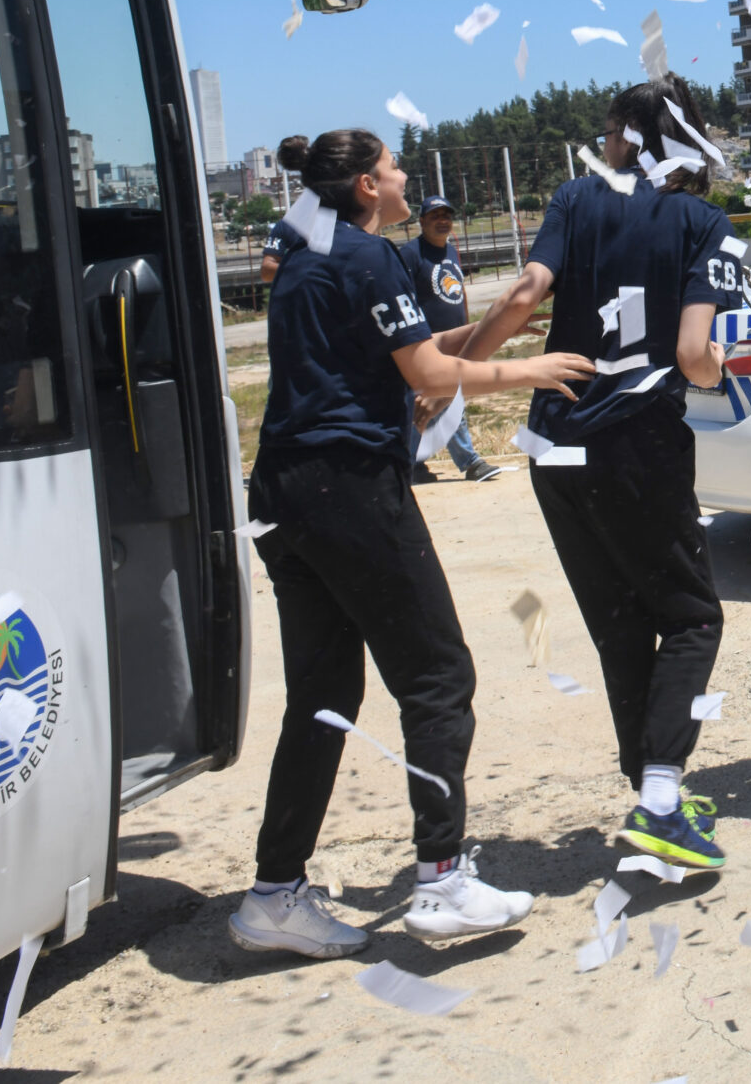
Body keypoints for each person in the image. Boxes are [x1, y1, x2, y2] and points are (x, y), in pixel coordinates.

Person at [229, 129, 594, 959]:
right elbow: (429, 377)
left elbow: (415, 359)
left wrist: (496, 330)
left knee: (323, 694)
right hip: (349, 487)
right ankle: (440, 878)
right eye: (393, 170)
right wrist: (530, 370)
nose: (403, 181)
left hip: (282, 488)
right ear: (366, 185)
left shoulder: (304, 251)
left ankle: (273, 892)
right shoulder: (370, 256)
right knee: (437, 676)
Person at [462, 80, 744, 868]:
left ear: (620, 132)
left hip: (555, 445)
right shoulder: (703, 222)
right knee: (691, 618)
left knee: (620, 621)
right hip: (637, 443)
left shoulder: (576, 198)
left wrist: (452, 373)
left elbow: (524, 295)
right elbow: (693, 354)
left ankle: (652, 792)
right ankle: (659, 800)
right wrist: (715, 367)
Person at [400, 195, 507, 483]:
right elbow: (404, 299)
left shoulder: (451, 252)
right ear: (421, 221)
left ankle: (410, 463)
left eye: (446, 215)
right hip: (428, 342)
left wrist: (469, 326)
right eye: (435, 216)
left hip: (456, 339)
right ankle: (469, 462)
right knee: (442, 397)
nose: (442, 220)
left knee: (439, 399)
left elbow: (458, 293)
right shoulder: (411, 254)